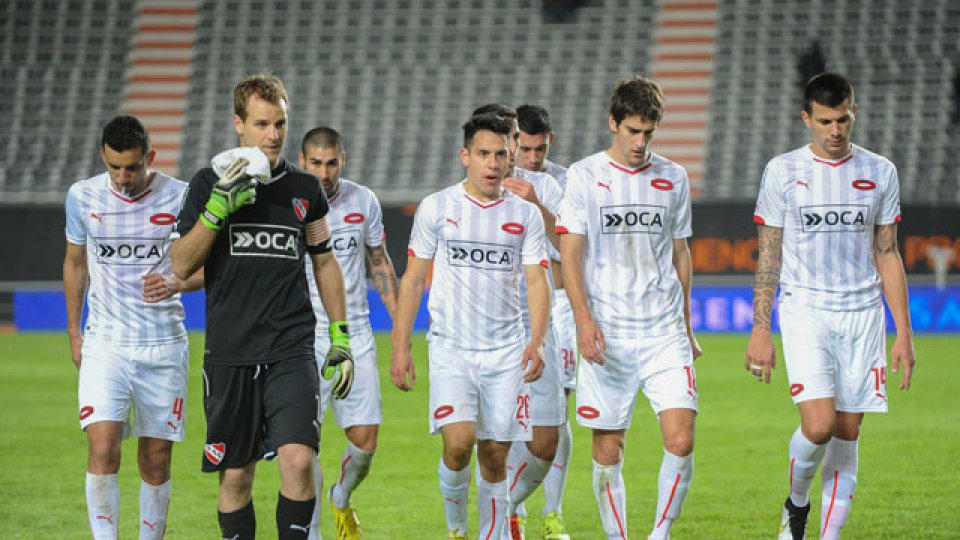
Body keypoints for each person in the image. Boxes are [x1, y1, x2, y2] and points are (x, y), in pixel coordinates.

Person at [171, 74, 354, 540]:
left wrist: (340, 336)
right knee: (236, 475)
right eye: (261, 124)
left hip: (290, 350)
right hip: (230, 353)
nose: (272, 135)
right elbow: (181, 263)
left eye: (279, 123)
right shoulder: (206, 184)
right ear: (239, 125)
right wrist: (217, 209)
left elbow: (325, 261)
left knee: (298, 459)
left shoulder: (305, 190)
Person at [746, 72, 916, 540]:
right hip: (806, 311)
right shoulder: (783, 171)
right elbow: (770, 253)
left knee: (847, 429)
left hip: (863, 314)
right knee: (819, 427)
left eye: (842, 120)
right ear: (807, 119)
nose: (835, 131)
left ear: (853, 113)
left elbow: (887, 252)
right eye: (825, 121)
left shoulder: (880, 171)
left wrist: (904, 331)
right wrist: (761, 329)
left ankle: (828, 535)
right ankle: (796, 505)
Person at [390, 113, 550, 540]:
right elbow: (412, 277)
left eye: (501, 154)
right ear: (466, 156)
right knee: (459, 444)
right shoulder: (437, 207)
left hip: (506, 351)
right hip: (452, 349)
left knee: (495, 454)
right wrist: (400, 347)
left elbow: (537, 280)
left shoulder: (526, 215)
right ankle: (457, 528)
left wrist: (537, 341)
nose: (493, 163)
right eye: (483, 154)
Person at [557, 75, 702, 540]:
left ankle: (659, 534)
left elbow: (680, 253)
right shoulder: (584, 176)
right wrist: (583, 321)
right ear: (613, 123)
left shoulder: (673, 177)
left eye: (649, 132)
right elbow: (571, 253)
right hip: (608, 333)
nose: (641, 142)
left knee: (681, 440)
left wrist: (686, 324)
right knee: (608, 451)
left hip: (663, 331)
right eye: (633, 131)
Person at [63, 114, 203, 539]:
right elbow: (74, 264)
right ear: (103, 159)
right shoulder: (82, 197)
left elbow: (214, 269)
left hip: (162, 344)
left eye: (132, 167)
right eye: (113, 167)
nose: (122, 178)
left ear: (150, 158)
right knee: (102, 445)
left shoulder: (181, 197)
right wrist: (75, 332)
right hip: (106, 343)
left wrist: (178, 282)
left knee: (156, 458)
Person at [298, 127, 399, 540]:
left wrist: (400, 328)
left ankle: (341, 496)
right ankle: (314, 533)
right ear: (302, 162)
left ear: (344, 159)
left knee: (365, 444)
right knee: (304, 447)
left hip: (355, 333)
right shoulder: (288, 201)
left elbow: (379, 262)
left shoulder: (364, 201)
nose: (324, 172)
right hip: (302, 335)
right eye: (316, 163)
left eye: (332, 162)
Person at [471, 103, 566, 540]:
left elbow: (569, 255)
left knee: (544, 444)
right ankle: (498, 524)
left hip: (539, 327)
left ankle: (508, 504)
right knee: (492, 441)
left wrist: (538, 205)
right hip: (489, 335)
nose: (512, 153)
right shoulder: (469, 190)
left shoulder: (547, 185)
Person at [516, 104, 576, 539]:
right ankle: (511, 503)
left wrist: (537, 204)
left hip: (563, 305)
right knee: (513, 414)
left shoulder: (566, 181)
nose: (532, 158)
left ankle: (552, 514)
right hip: (513, 307)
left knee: (559, 412)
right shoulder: (494, 172)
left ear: (549, 141)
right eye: (525, 148)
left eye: (540, 149)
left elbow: (571, 244)